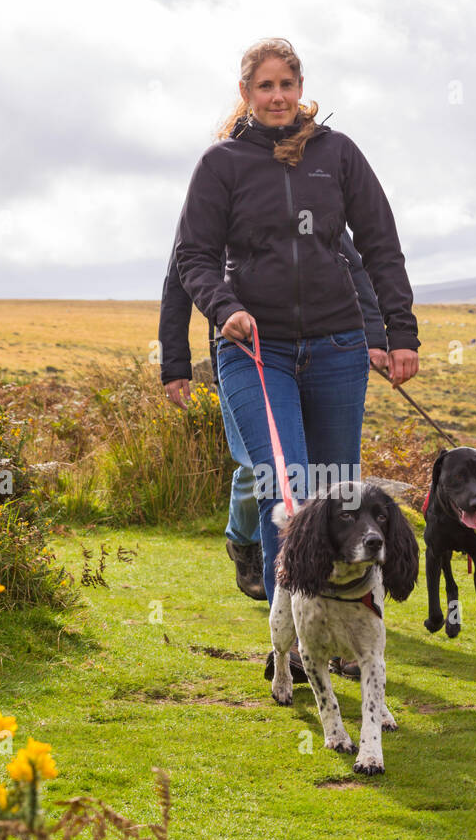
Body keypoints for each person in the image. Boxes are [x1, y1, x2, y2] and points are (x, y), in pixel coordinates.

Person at [175, 37, 420, 676]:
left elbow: (380, 245)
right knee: (288, 490)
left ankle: (341, 641)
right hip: (256, 349)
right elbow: (191, 258)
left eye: (287, 84)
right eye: (265, 86)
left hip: (338, 345)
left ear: (301, 86)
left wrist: (401, 332)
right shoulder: (221, 165)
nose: (278, 96)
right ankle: (290, 646)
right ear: (246, 94)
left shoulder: (337, 155)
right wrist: (224, 308)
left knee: (340, 493)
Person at [158, 228, 391, 602]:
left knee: (321, 476)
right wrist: (174, 362)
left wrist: (376, 337)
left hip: (322, 352)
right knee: (260, 466)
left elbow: (355, 268)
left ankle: (328, 594)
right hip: (245, 357)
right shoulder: (214, 203)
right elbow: (178, 279)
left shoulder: (312, 195)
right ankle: (244, 540)